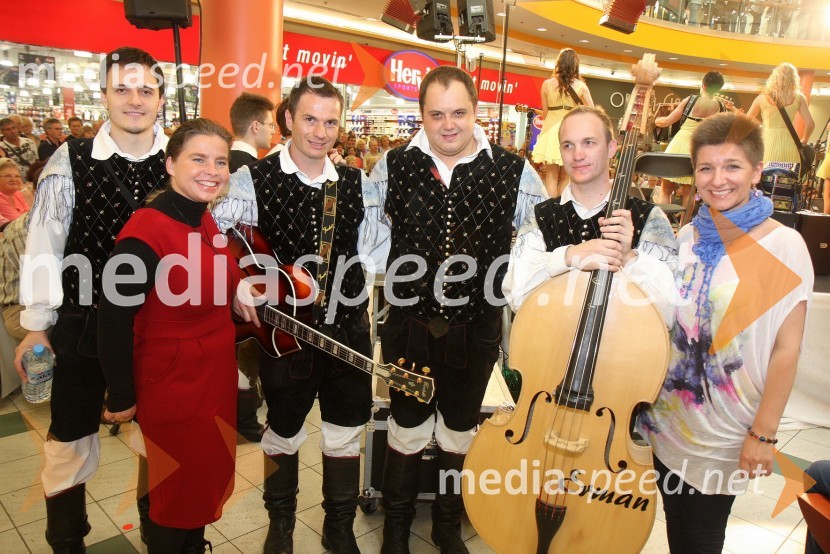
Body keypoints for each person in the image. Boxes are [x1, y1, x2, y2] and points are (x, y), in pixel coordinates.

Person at [365, 65, 546, 553]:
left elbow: (538, 244)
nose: (449, 124)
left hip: (477, 330)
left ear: (475, 111)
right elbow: (367, 237)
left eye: (459, 113)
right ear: (421, 115)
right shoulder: (392, 165)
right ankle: (396, 532)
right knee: (404, 427)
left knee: (460, 430)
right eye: (437, 113)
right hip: (409, 328)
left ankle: (447, 528)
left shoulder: (514, 170)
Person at [213, 75, 387, 554]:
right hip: (284, 335)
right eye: (309, 119)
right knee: (283, 428)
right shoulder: (253, 179)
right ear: (286, 119)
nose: (320, 131)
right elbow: (212, 240)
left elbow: (377, 251)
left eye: (331, 121)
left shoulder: (357, 182)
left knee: (346, 429)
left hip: (348, 328)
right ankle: (281, 524)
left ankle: (339, 528)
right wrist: (238, 282)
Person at [13, 47, 169, 552]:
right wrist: (37, 325)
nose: (134, 100)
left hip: (159, 330)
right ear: (103, 95)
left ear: (161, 99)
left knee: (159, 441)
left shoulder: (179, 157)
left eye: (146, 90)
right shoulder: (71, 159)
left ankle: (157, 530)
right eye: (122, 89)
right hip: (83, 324)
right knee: (68, 441)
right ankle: (66, 541)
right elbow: (44, 245)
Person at [637, 112, 813, 553]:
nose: (718, 180)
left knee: (700, 539)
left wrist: (764, 434)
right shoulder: (692, 234)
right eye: (706, 167)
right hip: (669, 423)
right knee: (679, 529)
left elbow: (786, 350)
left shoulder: (783, 245)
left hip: (724, 435)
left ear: (757, 171)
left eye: (732, 166)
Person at [98, 118, 254, 552]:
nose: (213, 170)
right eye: (198, 159)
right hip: (173, 384)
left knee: (201, 476)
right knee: (176, 486)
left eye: (221, 161)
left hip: (212, 376)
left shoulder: (203, 219)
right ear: (170, 163)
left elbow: (214, 265)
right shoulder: (144, 234)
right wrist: (121, 396)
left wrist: (238, 286)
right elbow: (111, 320)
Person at [503, 105, 677, 319]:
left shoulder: (649, 218)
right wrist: (568, 256)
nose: (578, 155)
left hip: (623, 349)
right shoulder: (540, 216)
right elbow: (516, 295)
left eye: (589, 143)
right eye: (568, 145)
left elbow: (671, 312)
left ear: (611, 148)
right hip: (551, 347)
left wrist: (630, 258)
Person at [653, 71, 729, 205]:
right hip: (699, 151)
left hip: (677, 146)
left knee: (666, 191)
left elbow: (666, 122)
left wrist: (654, 120)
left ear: (703, 85)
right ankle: (684, 225)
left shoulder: (691, 100)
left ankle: (663, 224)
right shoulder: (721, 107)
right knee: (689, 193)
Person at [531, 48, 594, 198]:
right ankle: (562, 212)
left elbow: (545, 114)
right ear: (575, 65)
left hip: (550, 132)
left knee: (550, 177)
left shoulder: (546, 84)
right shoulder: (581, 86)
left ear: (558, 63)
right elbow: (593, 111)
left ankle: (551, 212)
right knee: (566, 177)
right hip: (571, 132)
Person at [746, 63, 815, 167]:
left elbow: (746, 121)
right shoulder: (799, 98)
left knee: (764, 176)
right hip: (789, 143)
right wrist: (804, 140)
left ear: (774, 77)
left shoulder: (762, 97)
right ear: (794, 78)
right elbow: (810, 124)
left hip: (767, 141)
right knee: (789, 178)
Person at [229, 92, 276, 173]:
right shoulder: (256, 170)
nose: (273, 131)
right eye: (271, 125)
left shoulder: (222, 162)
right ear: (256, 126)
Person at [0, 158, 30, 223]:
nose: (14, 179)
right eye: (8, 176)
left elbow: (31, 213)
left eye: (17, 176)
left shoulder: (17, 193)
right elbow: (16, 222)